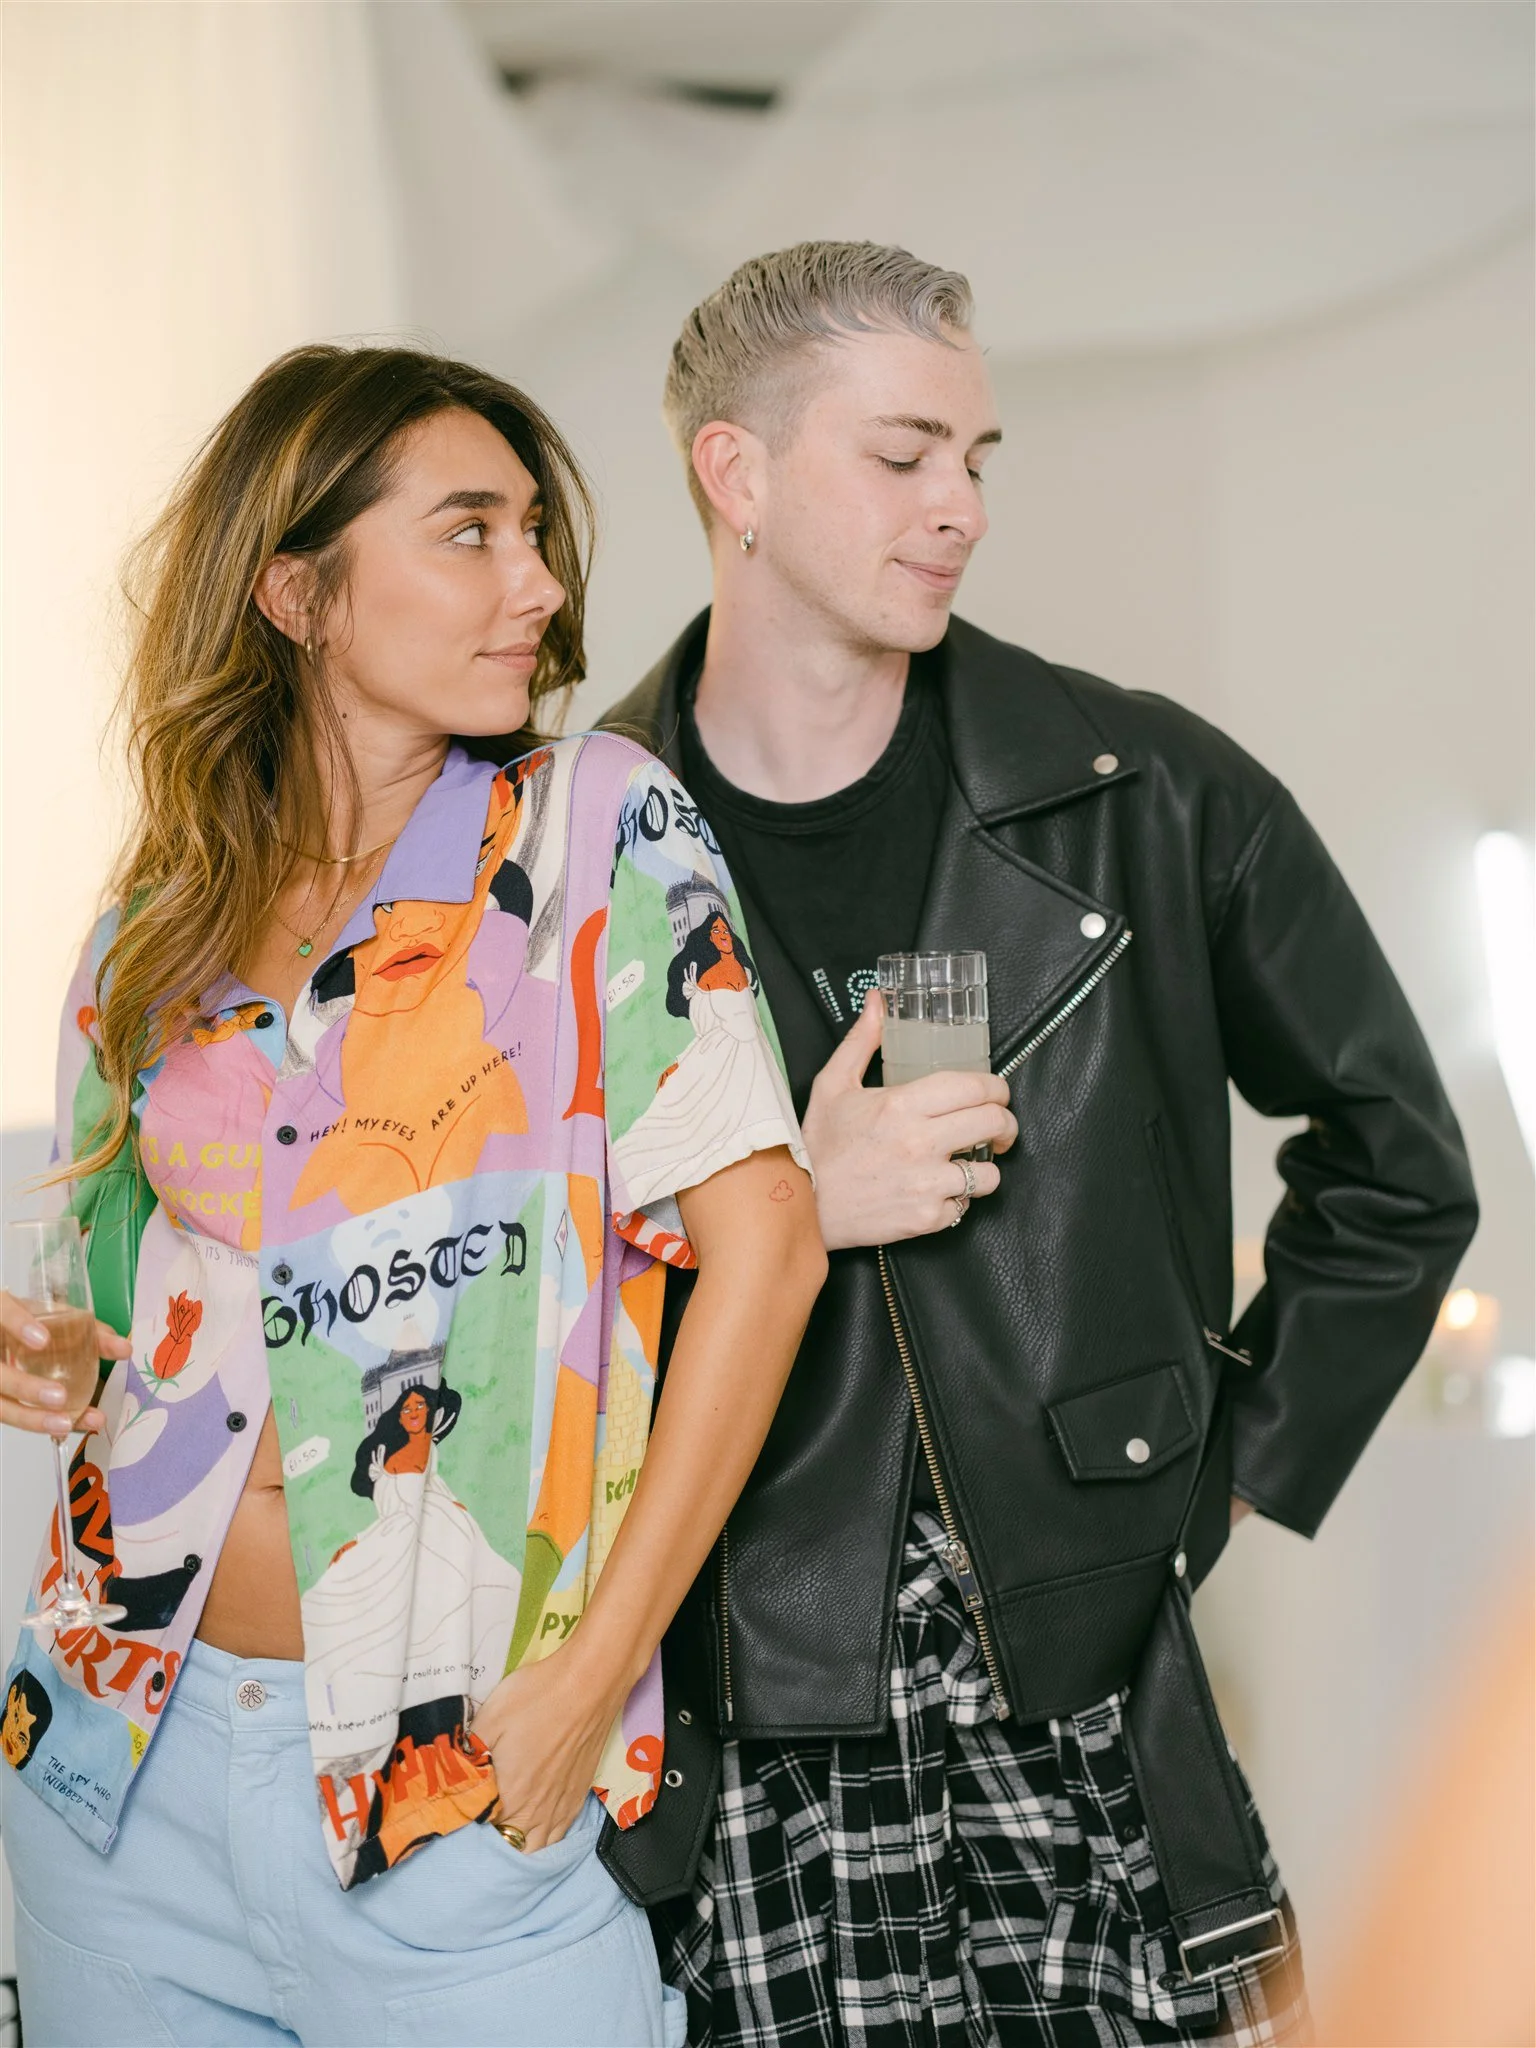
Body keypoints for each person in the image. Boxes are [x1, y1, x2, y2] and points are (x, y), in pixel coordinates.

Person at [603, 243, 1480, 2046]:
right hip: (753, 1727)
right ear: (734, 472)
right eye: (903, 454)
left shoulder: (1142, 789)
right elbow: (498, 1289)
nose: (963, 509)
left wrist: (1220, 1470)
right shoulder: (558, 855)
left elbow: (1397, 1162)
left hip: (1091, 1709)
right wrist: (788, 1210)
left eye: (978, 457)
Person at [0, 343, 827, 2047]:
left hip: (452, 1792)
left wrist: (583, 1687)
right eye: (469, 532)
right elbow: (133, 1315)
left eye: (534, 534)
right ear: (297, 592)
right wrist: (58, 1355)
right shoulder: (160, 912)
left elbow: (773, 1255)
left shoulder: (596, 830)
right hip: (118, 1772)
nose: (537, 585)